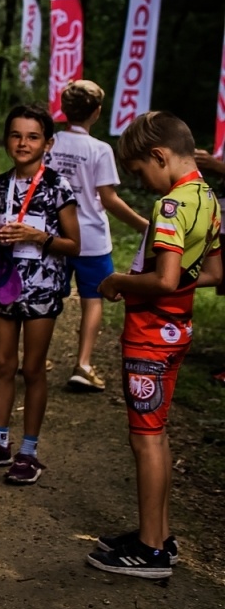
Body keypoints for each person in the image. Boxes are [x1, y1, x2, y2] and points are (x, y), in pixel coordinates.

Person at [89, 111, 221, 578]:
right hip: (178, 331)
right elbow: (215, 273)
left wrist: (118, 281)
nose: (142, 182)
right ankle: (159, 535)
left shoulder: (171, 205)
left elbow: (163, 280)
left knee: (144, 440)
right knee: (157, 435)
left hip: (149, 336)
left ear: (160, 156)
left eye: (141, 171)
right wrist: (175, 284)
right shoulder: (208, 198)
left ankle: (150, 552)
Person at [0, 104, 80, 485]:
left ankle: (29, 452)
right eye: (16, 135)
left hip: (42, 291)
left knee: (33, 369)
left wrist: (37, 236)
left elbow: (74, 244)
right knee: (3, 364)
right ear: (6, 139)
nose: (23, 143)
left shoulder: (58, 186)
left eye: (33, 137)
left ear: (48, 143)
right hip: (4, 288)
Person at [46, 80, 150, 392]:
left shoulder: (49, 142)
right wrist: (144, 225)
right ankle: (83, 365)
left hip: (53, 236)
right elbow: (109, 199)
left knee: (48, 298)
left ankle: (35, 358)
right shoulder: (100, 149)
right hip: (91, 239)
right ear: (97, 112)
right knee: (93, 299)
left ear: (64, 109)